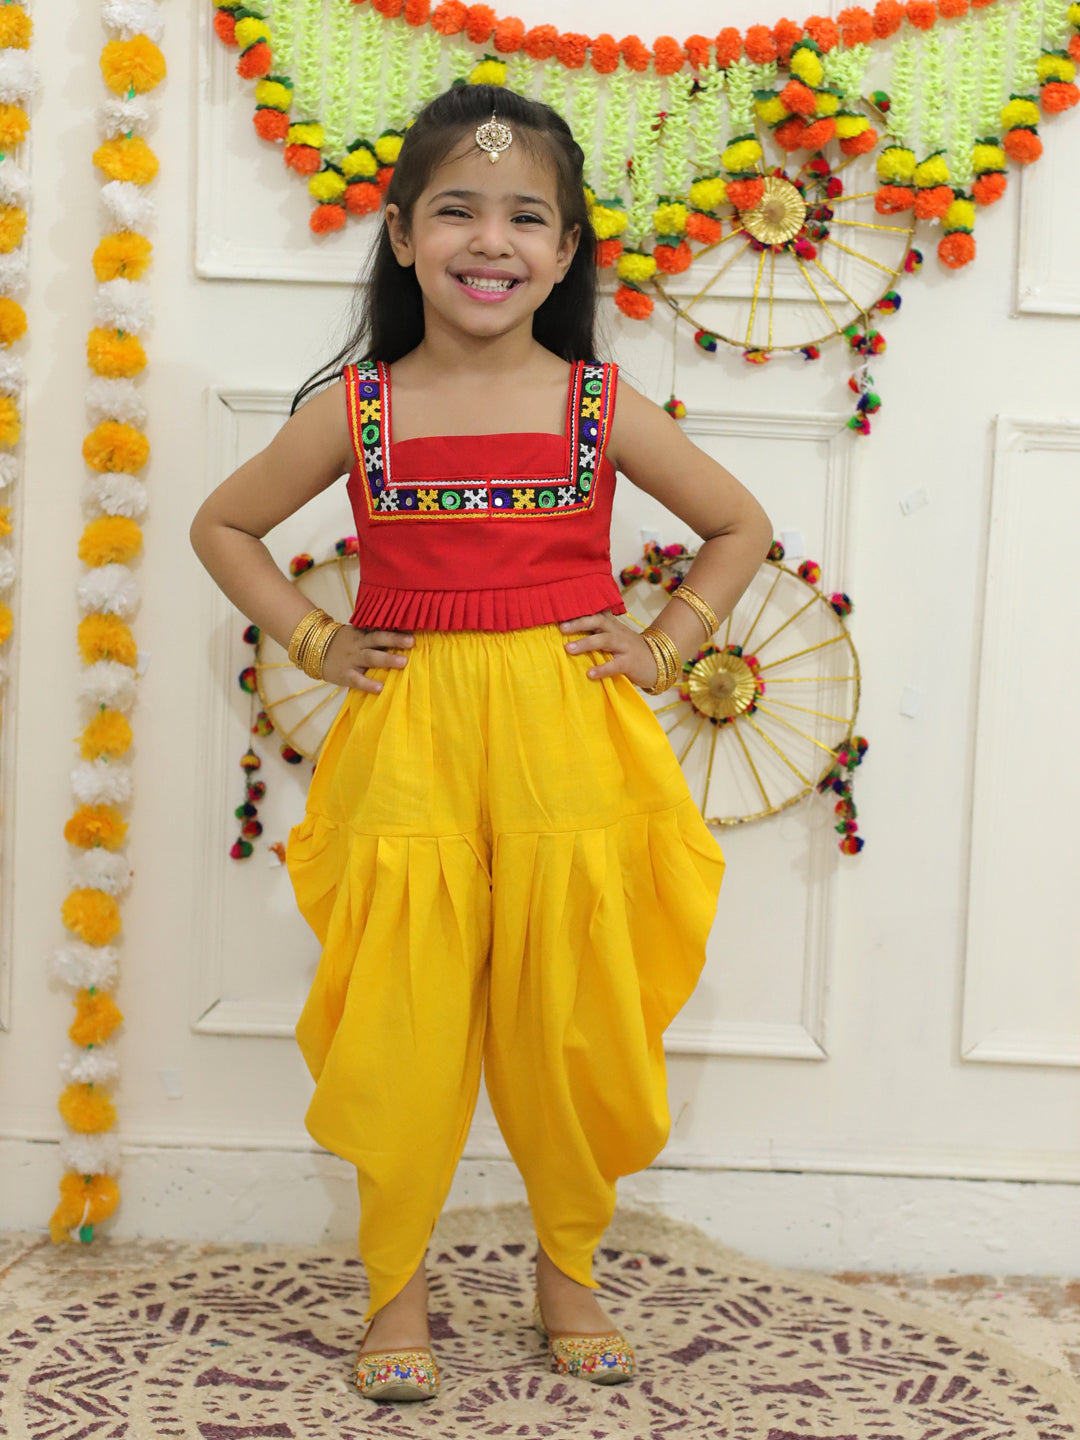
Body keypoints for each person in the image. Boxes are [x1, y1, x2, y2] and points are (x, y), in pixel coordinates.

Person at [189, 82, 773, 1403]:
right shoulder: (359, 410)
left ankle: (570, 1266)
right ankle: (396, 1286)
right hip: (412, 753)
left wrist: (666, 640)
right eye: (457, 209)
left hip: (572, 751)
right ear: (402, 235)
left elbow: (739, 526)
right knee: (406, 1015)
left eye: (526, 216)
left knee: (571, 1014)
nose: (489, 240)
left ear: (567, 252)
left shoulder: (600, 405)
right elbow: (224, 528)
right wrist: (315, 639)